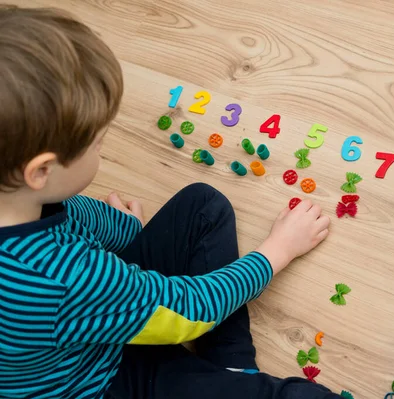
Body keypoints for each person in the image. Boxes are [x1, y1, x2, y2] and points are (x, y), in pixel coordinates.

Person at [0, 5, 340, 399]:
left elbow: (71, 213)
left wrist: (125, 229)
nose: (101, 150)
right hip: (99, 382)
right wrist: (277, 252)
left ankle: (230, 365)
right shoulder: (59, 277)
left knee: (203, 207)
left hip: (75, 331)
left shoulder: (21, 203)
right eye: (97, 143)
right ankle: (232, 371)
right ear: (40, 171)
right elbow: (189, 310)